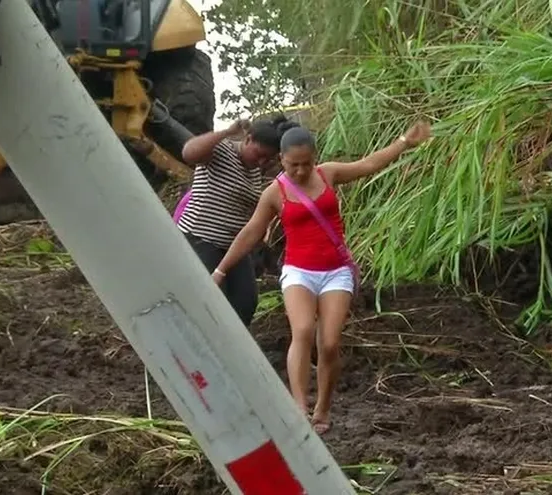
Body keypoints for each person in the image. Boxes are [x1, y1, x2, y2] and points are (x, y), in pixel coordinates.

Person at [211, 120, 432, 434]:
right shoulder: (275, 192)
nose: (300, 171)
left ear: (315, 158)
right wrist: (221, 270)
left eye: (306, 164)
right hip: (299, 271)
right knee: (301, 330)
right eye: (292, 165)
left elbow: (368, 164)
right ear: (281, 161)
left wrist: (404, 142)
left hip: (335, 272)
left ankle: (322, 410)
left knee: (329, 343)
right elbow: (251, 233)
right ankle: (298, 409)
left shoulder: (328, 173)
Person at [178, 115, 298, 326]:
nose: (261, 162)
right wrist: (226, 132)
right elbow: (189, 152)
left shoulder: (254, 170)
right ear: (248, 139)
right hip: (200, 239)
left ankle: (231, 350)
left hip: (234, 246)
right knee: (213, 303)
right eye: (259, 154)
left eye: (267, 159)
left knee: (246, 302)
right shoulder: (222, 151)